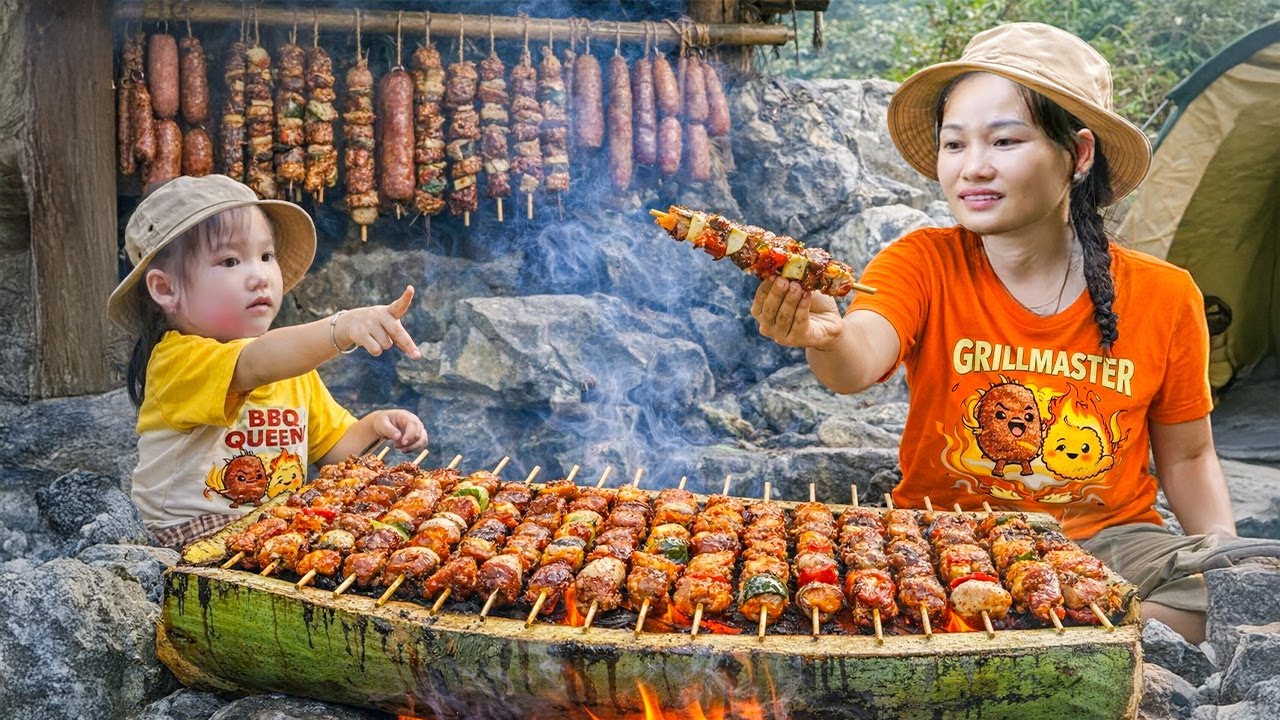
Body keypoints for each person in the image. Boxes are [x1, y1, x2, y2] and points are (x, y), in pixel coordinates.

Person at [751, 22, 1257, 643]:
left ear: (1080, 154)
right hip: (942, 540)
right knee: (851, 597)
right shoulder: (922, 261)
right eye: (955, 145)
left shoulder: (1165, 293)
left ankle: (1021, 633)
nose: (974, 169)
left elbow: (1189, 455)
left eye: (1005, 141)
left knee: (1244, 595)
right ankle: (1062, 634)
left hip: (1112, 545)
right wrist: (824, 337)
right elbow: (857, 361)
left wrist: (1229, 569)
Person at [108, 174, 428, 550]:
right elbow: (254, 363)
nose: (259, 276)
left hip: (270, 538)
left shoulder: (294, 368)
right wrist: (340, 328)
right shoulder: (176, 361)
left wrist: (377, 425)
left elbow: (334, 452)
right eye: (230, 261)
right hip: (183, 542)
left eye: (266, 256)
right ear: (166, 288)